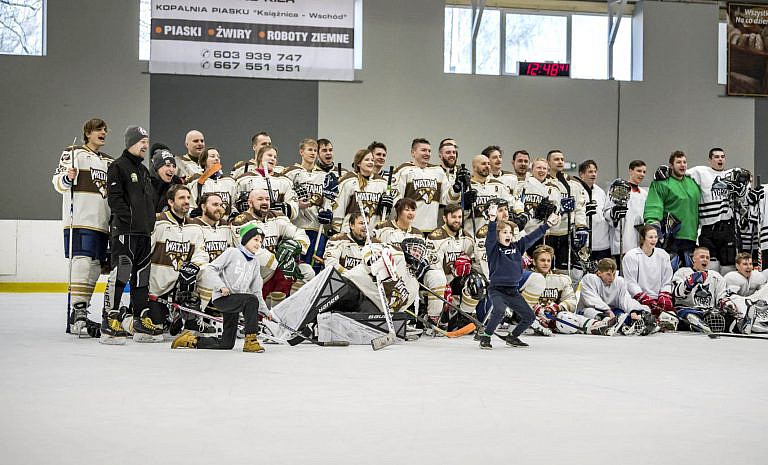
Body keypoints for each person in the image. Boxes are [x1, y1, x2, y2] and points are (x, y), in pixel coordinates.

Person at [51, 118, 112, 335]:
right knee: (82, 263)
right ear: (87, 133)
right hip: (80, 220)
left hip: (102, 223)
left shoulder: (109, 161)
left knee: (95, 266)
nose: (103, 132)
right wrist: (68, 178)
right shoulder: (74, 152)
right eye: (98, 129)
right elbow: (57, 182)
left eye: (104, 129)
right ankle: (77, 309)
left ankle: (82, 310)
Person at [172, 223, 269, 353]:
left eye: (261, 242)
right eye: (255, 240)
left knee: (227, 343)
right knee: (250, 300)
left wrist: (266, 312)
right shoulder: (232, 252)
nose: (258, 244)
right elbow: (210, 269)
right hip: (223, 298)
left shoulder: (255, 262)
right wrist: (221, 286)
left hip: (236, 301)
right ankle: (251, 340)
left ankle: (190, 340)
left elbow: (257, 291)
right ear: (246, 239)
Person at [101, 125, 156, 344]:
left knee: (142, 276)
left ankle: (140, 319)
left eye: (146, 141)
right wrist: (131, 221)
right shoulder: (117, 166)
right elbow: (114, 199)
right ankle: (110, 318)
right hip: (125, 232)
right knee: (121, 274)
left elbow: (149, 202)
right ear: (131, 142)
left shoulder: (143, 171)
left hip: (144, 233)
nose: (145, 145)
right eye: (142, 141)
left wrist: (148, 223)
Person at [478, 202, 559, 349]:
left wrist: (547, 225)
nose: (508, 235)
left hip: (513, 291)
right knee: (499, 310)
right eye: (504, 232)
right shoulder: (493, 249)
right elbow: (489, 236)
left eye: (510, 232)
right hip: (497, 290)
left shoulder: (518, 246)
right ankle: (486, 336)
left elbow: (533, 236)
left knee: (529, 316)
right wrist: (491, 220)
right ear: (498, 236)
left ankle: (513, 337)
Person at [143, 185, 211, 341]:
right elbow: (145, 252)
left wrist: (195, 266)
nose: (186, 201)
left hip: (182, 285)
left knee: (207, 271)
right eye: (182, 198)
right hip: (157, 286)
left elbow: (201, 253)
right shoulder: (158, 221)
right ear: (170, 202)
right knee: (156, 332)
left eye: (188, 198)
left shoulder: (195, 225)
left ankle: (192, 318)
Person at [230, 189, 312, 300]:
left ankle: (292, 305)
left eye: (267, 199)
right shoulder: (241, 221)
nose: (264, 202)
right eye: (260, 199)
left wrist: (296, 245)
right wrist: (284, 260)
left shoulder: (276, 216)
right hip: (253, 269)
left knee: (307, 271)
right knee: (283, 271)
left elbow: (299, 233)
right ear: (250, 203)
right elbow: (254, 251)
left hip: (276, 266)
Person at [522, 247, 621, 336]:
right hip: (532, 319)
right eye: (542, 260)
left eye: (549, 260)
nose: (546, 263)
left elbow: (572, 301)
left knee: (566, 316)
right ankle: (597, 327)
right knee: (565, 318)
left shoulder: (561, 279)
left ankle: (601, 325)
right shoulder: (526, 278)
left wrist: (557, 307)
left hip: (555, 318)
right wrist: (534, 309)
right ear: (534, 262)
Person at [687, 148, 744, 274]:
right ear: (710, 160)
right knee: (710, 264)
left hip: (727, 226)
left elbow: (746, 181)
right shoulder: (700, 172)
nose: (720, 159)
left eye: (722, 157)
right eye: (717, 157)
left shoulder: (732, 174)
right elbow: (680, 174)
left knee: (728, 265)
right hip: (708, 227)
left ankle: (725, 292)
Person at [391, 138, 461, 234]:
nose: (427, 153)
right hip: (409, 229)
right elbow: (397, 201)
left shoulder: (438, 171)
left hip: (432, 229)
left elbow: (448, 200)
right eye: (423, 150)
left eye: (429, 151)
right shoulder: (403, 170)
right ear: (413, 152)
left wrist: (456, 188)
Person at [644, 150, 701, 268]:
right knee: (670, 272)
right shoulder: (662, 183)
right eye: (678, 162)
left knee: (688, 274)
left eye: (684, 162)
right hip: (671, 238)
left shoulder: (693, 183)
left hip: (690, 236)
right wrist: (653, 227)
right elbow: (654, 205)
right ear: (671, 165)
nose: (682, 165)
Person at [283, 139, 331, 270]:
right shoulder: (290, 173)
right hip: (297, 226)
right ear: (301, 152)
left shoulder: (324, 175)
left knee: (314, 265)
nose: (313, 153)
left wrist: (327, 211)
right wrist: (296, 204)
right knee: (298, 266)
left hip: (317, 227)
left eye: (315, 150)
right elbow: (286, 197)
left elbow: (327, 200)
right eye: (310, 150)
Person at [671, 246, 745, 333]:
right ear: (694, 258)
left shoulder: (716, 276)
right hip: (689, 309)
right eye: (702, 257)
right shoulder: (683, 272)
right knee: (686, 315)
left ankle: (740, 325)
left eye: (707, 258)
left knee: (727, 315)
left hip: (709, 312)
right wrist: (688, 283)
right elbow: (675, 293)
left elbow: (721, 296)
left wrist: (727, 304)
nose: (705, 260)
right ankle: (695, 323)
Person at [577, 258, 657, 336]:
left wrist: (633, 311)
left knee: (623, 315)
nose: (611, 278)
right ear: (599, 273)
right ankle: (607, 325)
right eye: (608, 274)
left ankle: (636, 324)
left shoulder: (619, 282)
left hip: (612, 312)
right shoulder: (589, 279)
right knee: (590, 312)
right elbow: (591, 299)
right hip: (589, 312)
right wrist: (608, 311)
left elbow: (625, 299)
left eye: (614, 274)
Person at [427, 204, 476, 326]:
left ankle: (463, 318)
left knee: (477, 283)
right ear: (444, 218)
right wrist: (446, 284)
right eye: (453, 217)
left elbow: (474, 261)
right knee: (440, 282)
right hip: (441, 280)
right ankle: (434, 320)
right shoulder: (435, 237)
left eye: (459, 217)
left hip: (457, 281)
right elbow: (433, 267)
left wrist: (468, 264)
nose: (457, 220)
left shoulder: (467, 237)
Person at [545, 149, 588, 277]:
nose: (560, 162)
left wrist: (581, 227)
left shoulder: (573, 184)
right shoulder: (542, 182)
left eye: (562, 159)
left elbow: (579, 207)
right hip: (547, 233)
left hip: (565, 233)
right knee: (545, 269)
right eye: (556, 159)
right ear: (548, 162)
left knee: (565, 272)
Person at [622, 225, 675, 323]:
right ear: (643, 238)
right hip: (638, 300)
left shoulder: (663, 255)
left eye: (655, 237)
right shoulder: (631, 256)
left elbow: (667, 280)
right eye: (650, 237)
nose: (654, 240)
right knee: (642, 315)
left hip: (658, 299)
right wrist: (644, 298)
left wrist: (664, 295)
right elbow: (630, 282)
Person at [332, 149, 389, 233]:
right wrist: (337, 230)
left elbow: (385, 214)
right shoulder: (348, 181)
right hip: (350, 232)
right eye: (367, 160)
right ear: (358, 163)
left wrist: (388, 207)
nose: (370, 162)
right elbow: (339, 208)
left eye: (372, 160)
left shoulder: (382, 183)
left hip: (373, 232)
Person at [234, 145, 298, 220]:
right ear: (260, 157)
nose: (273, 159)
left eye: (275, 157)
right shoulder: (244, 180)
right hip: (252, 223)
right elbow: (234, 204)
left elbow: (294, 207)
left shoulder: (285, 181)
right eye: (269, 155)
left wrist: (287, 209)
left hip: (277, 224)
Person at [604, 160, 648, 263]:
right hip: (622, 240)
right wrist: (613, 214)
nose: (642, 174)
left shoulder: (644, 194)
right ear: (630, 171)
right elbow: (607, 212)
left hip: (639, 241)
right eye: (639, 171)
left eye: (644, 172)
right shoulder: (619, 190)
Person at [572, 160, 611, 273]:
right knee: (581, 275)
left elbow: (604, 213)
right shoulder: (575, 190)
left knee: (601, 273)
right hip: (583, 243)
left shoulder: (600, 192)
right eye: (590, 172)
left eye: (595, 171)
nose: (593, 174)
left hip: (601, 242)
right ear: (581, 174)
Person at [463, 154, 514, 238]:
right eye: (483, 164)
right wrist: (466, 206)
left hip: (494, 235)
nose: (487, 166)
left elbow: (512, 203)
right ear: (474, 167)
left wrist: (519, 212)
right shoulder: (466, 186)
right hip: (471, 235)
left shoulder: (498, 184)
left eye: (488, 164)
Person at [187, 147, 237, 217]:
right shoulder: (195, 181)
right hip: (203, 224)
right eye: (212, 156)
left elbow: (233, 206)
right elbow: (191, 205)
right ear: (204, 161)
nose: (216, 159)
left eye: (218, 157)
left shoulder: (229, 182)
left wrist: (234, 214)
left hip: (225, 225)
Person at [149, 143, 183, 213]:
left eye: (173, 166)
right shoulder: (144, 183)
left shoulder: (175, 186)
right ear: (157, 167)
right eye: (167, 165)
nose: (171, 169)